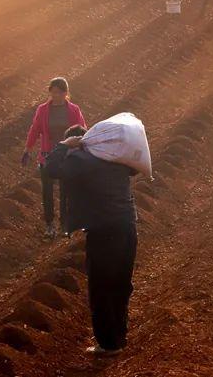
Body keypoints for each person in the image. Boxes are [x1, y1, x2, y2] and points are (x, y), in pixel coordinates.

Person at [44, 127, 137, 356]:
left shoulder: (81, 160)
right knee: (120, 284)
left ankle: (108, 344)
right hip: (128, 225)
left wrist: (64, 145)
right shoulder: (115, 156)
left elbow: (50, 169)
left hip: (104, 231)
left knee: (101, 287)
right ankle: (119, 337)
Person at [22, 78, 87, 237]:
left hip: (67, 155)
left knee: (66, 190)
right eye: (54, 92)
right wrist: (27, 149)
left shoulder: (73, 110)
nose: (56, 95)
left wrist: (86, 148)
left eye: (60, 92)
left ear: (66, 93)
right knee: (47, 191)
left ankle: (65, 223)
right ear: (50, 92)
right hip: (47, 155)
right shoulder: (43, 110)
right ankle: (49, 224)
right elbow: (35, 129)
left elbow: (82, 130)